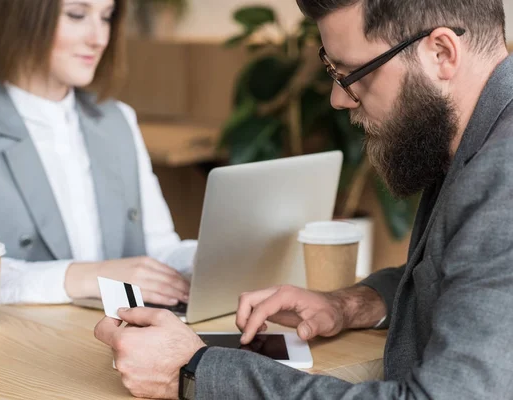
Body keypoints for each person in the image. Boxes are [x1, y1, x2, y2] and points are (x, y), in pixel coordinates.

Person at [94, 0, 513, 398]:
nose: (337, 98)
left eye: (352, 73)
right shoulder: (482, 137)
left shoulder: (502, 177)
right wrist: (350, 304)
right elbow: (469, 268)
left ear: (441, 52)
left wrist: (193, 371)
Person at [0, 0, 194, 312]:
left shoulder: (119, 119)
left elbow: (159, 249)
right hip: (28, 348)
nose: (99, 38)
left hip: (128, 340)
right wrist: (85, 276)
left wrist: (213, 259)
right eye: (77, 15)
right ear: (24, 16)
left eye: (106, 18)